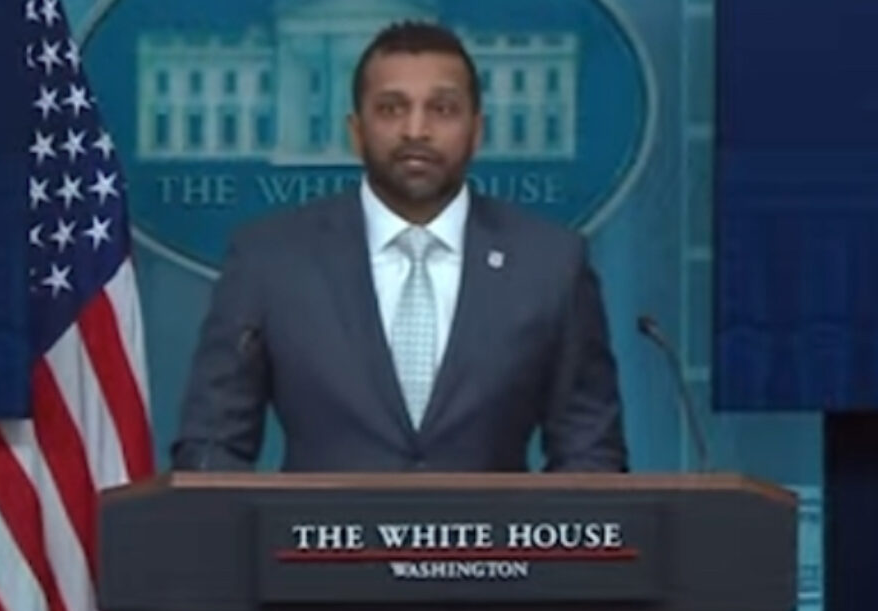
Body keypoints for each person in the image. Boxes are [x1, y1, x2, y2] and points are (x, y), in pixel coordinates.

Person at [171, 20, 628, 473]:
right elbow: (212, 447)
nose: (416, 130)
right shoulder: (270, 260)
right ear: (356, 131)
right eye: (391, 109)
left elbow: (590, 454)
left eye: (442, 109)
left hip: (492, 527)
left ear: (477, 131)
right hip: (319, 526)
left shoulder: (549, 264)